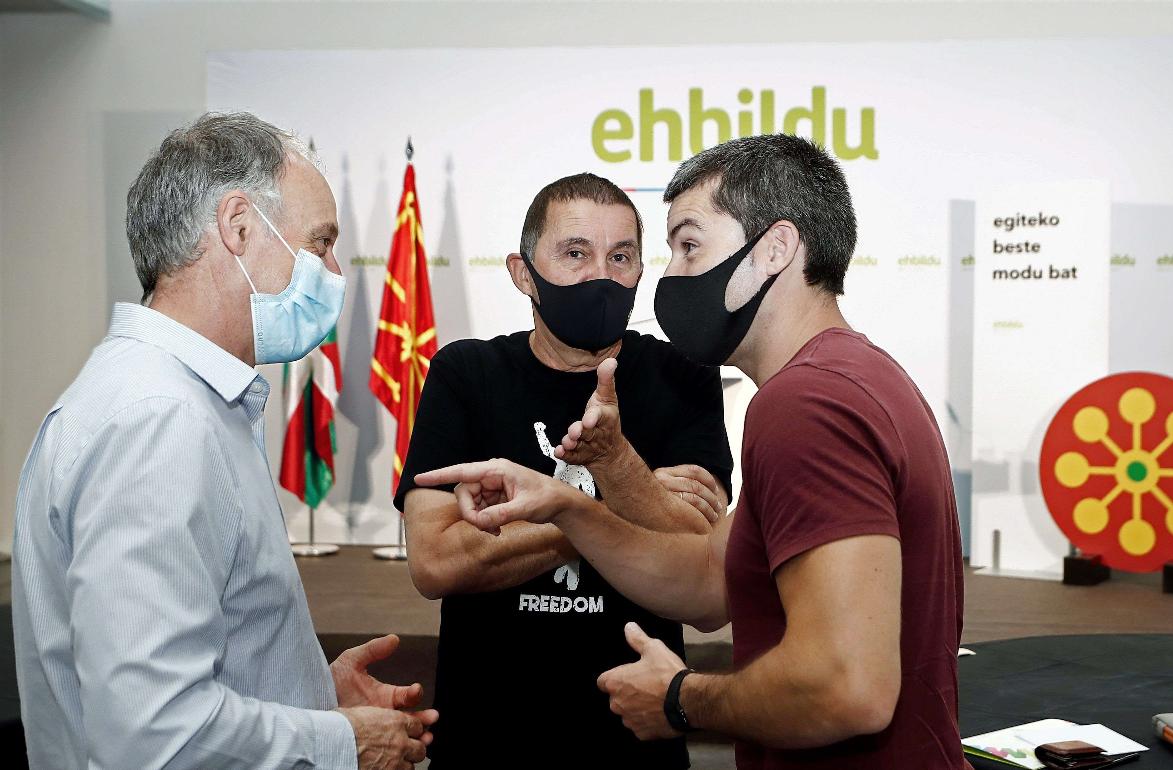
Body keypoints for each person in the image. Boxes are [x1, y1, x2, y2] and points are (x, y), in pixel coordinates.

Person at [414, 135, 969, 769]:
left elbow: (847, 688)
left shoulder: (806, 403)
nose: (668, 275)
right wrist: (574, 506)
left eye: (689, 245)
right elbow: (708, 582)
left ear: (775, 250)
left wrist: (681, 700)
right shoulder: (858, 374)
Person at [12, 112, 437, 770]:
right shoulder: (158, 419)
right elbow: (152, 734)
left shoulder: (176, 400)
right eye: (320, 242)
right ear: (239, 227)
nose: (333, 270)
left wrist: (309, 692)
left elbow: (189, 663)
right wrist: (339, 741)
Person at [395, 172, 734, 769]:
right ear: (523, 273)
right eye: (575, 253)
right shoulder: (466, 375)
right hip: (489, 739)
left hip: (635, 748)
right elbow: (435, 562)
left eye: (621, 256)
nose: (600, 275)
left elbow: (701, 571)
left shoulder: (683, 375)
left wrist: (582, 486)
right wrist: (614, 504)